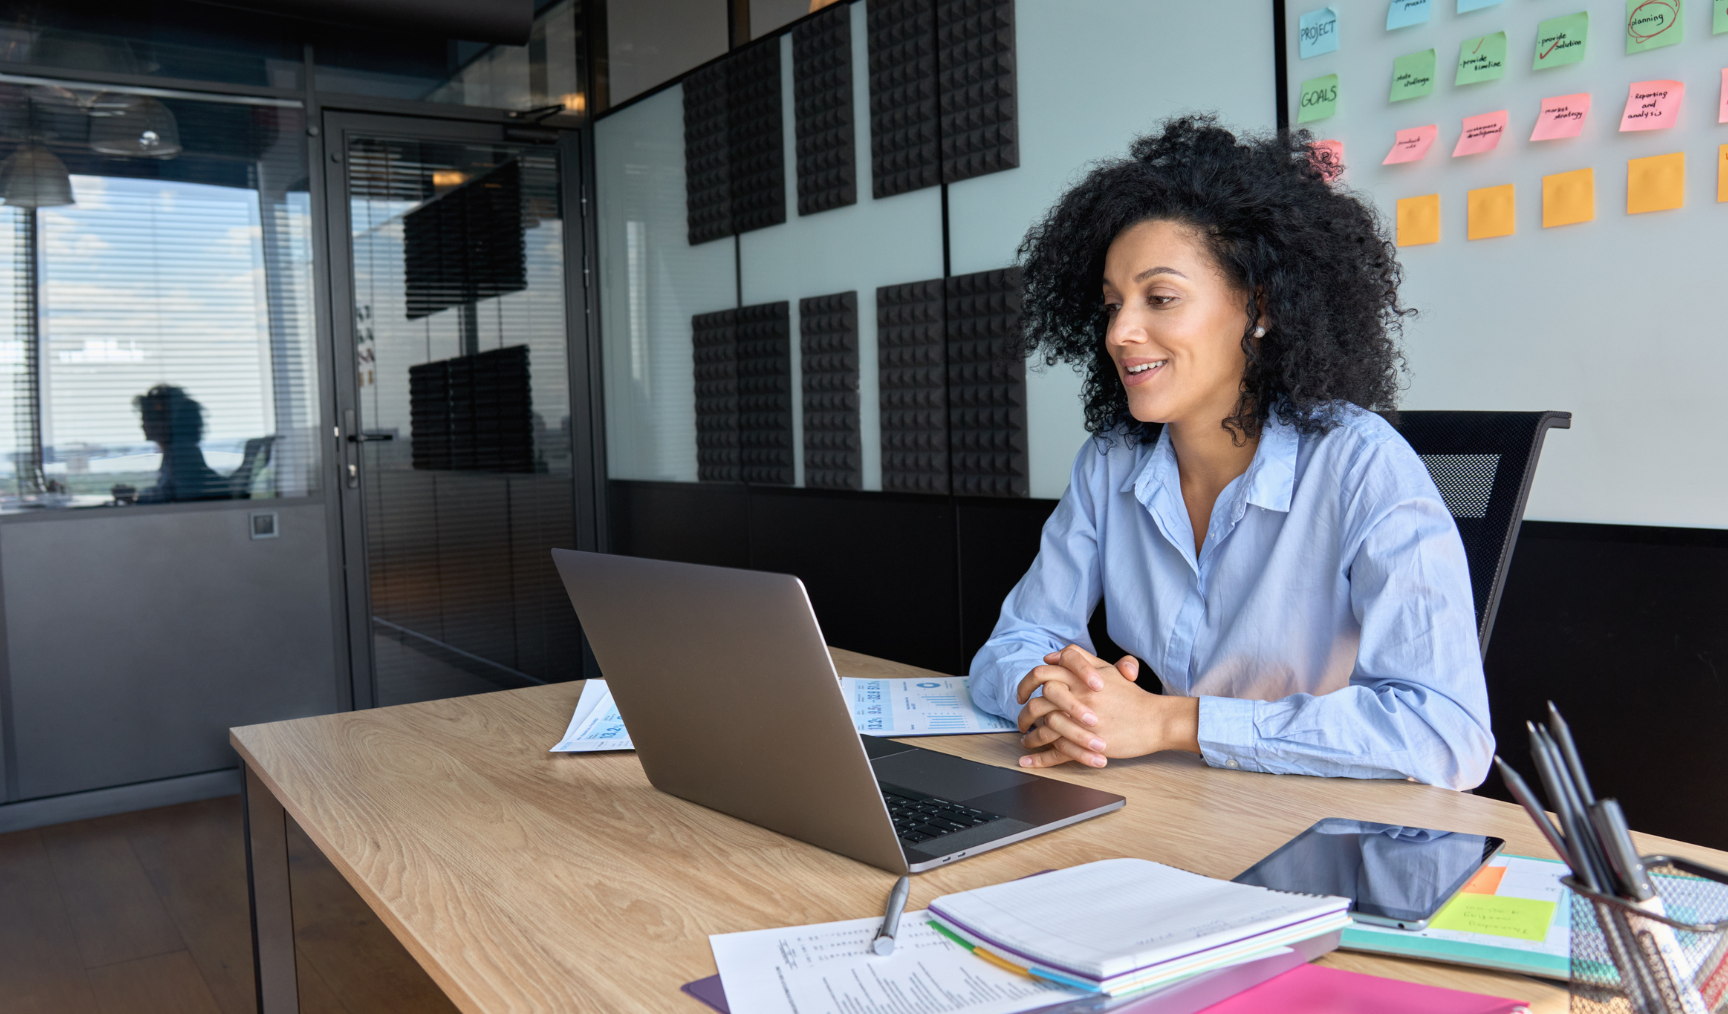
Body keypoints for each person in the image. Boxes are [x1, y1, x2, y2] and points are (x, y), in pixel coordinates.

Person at [968, 116, 1493, 790]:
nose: (1122, 332)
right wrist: (1059, 697)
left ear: (1259, 307)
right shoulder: (1111, 463)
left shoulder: (1361, 465)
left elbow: (1446, 732)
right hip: (1187, 803)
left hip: (1322, 828)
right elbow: (1010, 647)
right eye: (1111, 305)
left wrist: (1171, 722)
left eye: (1160, 298)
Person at [134, 384, 229, 503]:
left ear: (163, 422)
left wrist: (138, 498)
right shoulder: (175, 451)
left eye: (146, 419)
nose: (142, 425)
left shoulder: (182, 451)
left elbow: (177, 498)